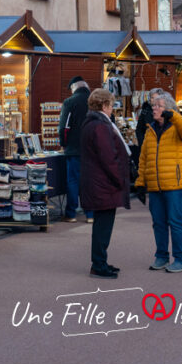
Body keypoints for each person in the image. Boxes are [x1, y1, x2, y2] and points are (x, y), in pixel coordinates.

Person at [135, 92, 182, 273]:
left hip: (174, 183)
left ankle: (181, 259)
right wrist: (140, 182)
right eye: (154, 105)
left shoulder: (178, 127)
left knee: (175, 221)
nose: (154, 108)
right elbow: (144, 158)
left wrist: (173, 115)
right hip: (155, 184)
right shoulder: (150, 130)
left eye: (159, 106)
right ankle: (161, 256)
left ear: (168, 109)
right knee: (158, 222)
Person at [79, 88, 131, 279]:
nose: (112, 109)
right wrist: (120, 179)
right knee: (103, 226)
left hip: (97, 182)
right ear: (104, 105)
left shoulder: (91, 123)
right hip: (103, 183)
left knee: (102, 225)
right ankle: (99, 264)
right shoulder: (100, 126)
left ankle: (100, 261)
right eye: (110, 105)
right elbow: (108, 157)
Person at [58, 76, 93, 223]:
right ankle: (90, 214)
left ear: (74, 87)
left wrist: (63, 143)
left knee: (73, 181)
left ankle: (71, 214)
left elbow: (64, 127)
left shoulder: (70, 102)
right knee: (89, 181)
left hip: (74, 148)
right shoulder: (94, 101)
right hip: (93, 149)